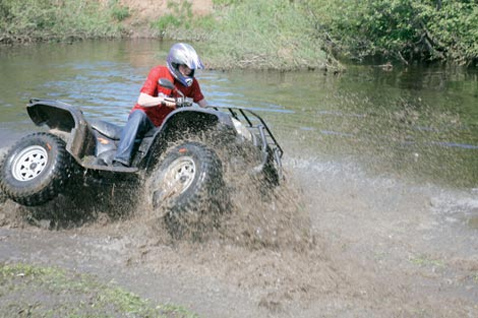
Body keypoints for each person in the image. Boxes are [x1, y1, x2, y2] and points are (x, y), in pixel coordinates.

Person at [113, 43, 208, 167]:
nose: (187, 71)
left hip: (163, 125)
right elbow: (142, 100)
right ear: (175, 64)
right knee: (138, 115)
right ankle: (120, 161)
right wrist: (162, 100)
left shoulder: (192, 84)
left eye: (190, 69)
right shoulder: (158, 72)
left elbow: (204, 105)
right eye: (184, 67)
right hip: (146, 119)